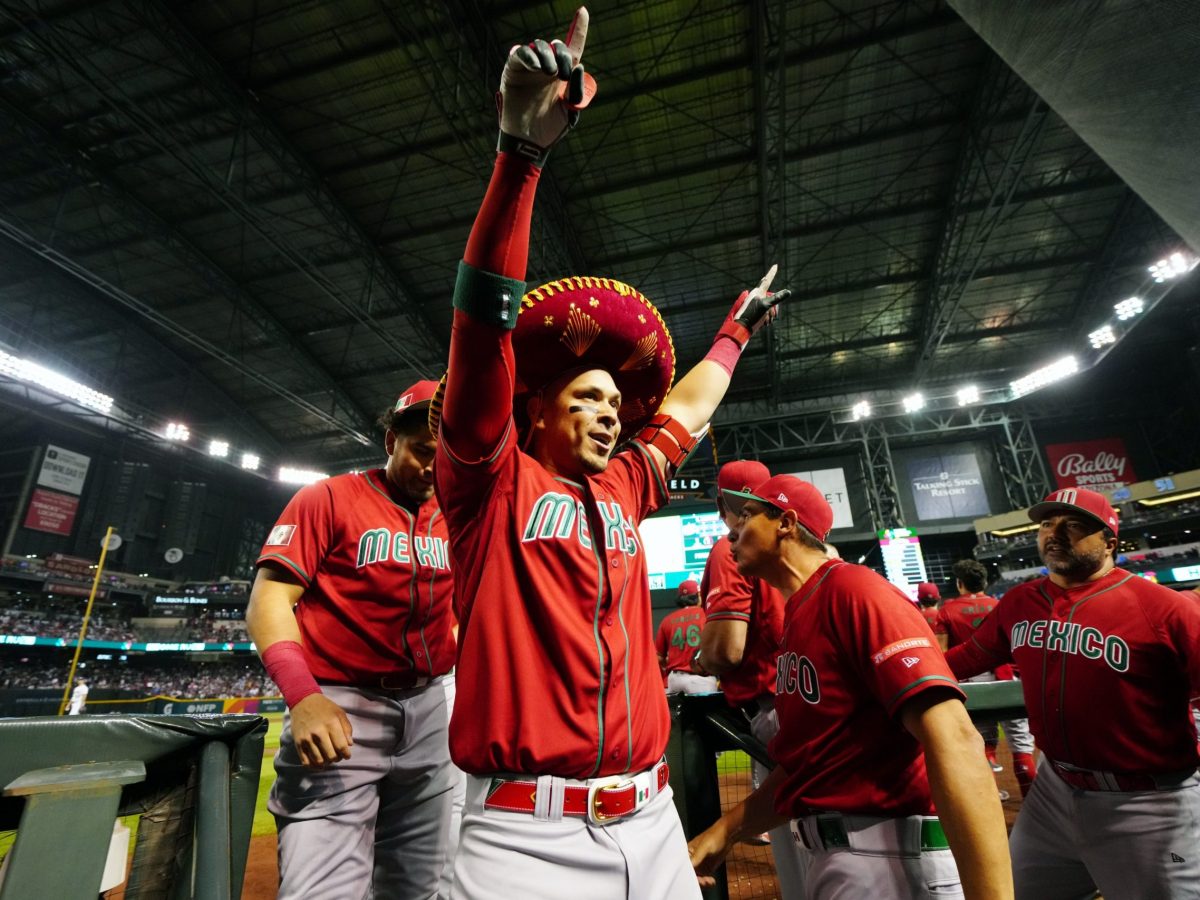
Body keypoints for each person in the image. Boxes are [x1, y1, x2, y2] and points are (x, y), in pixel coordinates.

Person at [430, 8, 787, 897]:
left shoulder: (627, 483)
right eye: (584, 398)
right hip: (523, 841)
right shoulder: (488, 477)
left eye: (615, 404)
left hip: (655, 823)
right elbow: (481, 327)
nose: (608, 415)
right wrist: (522, 154)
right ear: (536, 411)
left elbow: (692, 405)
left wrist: (736, 333)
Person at [690, 474, 1012, 899]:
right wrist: (721, 834)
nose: (731, 531)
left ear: (785, 523)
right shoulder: (801, 613)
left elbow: (954, 737)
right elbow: (810, 766)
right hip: (841, 855)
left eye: (746, 516)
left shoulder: (854, 590)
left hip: (892, 859)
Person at [247, 380, 462, 900]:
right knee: (320, 891)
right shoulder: (328, 497)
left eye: (446, 457)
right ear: (392, 442)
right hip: (340, 706)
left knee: (424, 889)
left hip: (433, 705)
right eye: (422, 452)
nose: (433, 468)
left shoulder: (462, 517)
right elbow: (268, 602)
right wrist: (304, 695)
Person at [947, 487, 1200, 899]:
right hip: (1054, 789)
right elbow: (966, 658)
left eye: (1075, 525)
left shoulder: (1167, 608)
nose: (1055, 533)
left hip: (1148, 801)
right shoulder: (1020, 601)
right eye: (1047, 524)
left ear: (1110, 542)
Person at [694, 458, 807, 896]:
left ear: (720, 501)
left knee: (805, 858)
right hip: (812, 696)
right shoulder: (795, 539)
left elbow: (726, 650)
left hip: (776, 709)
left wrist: (704, 659)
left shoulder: (731, 545)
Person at [936, 560, 1035, 798]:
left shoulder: (947, 610)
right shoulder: (1000, 604)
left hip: (971, 682)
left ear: (960, 584)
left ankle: (993, 799)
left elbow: (942, 653)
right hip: (1007, 677)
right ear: (985, 582)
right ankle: (1033, 802)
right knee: (1022, 746)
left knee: (983, 744)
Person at [657, 579, 718, 694]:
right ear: (699, 595)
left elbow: (659, 658)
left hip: (674, 680)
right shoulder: (707, 614)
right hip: (701, 680)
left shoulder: (667, 620)